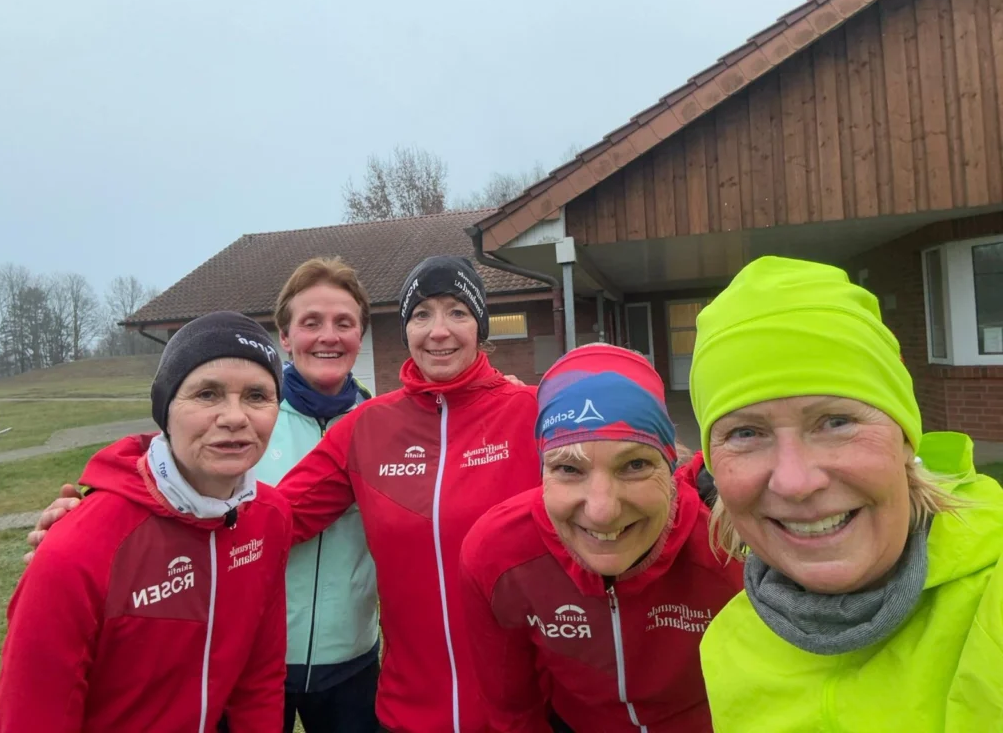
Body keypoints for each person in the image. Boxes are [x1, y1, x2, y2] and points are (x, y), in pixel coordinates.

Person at [689, 256, 1003, 731]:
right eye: (746, 434)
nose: (795, 482)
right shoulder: (729, 645)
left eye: (837, 422)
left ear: (904, 437)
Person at [272, 254, 543, 732]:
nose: (439, 331)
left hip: (523, 711)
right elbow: (272, 518)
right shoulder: (367, 426)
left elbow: (633, 469)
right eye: (421, 315)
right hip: (408, 713)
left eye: (457, 311)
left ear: (480, 327)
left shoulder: (532, 411)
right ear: (406, 330)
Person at [0, 312, 293, 732]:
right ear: (165, 410)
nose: (234, 417)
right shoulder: (74, 550)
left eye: (257, 396)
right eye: (207, 394)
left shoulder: (270, 518)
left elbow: (259, 679)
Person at [459, 343, 744, 732]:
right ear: (542, 473)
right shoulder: (498, 554)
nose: (602, 510)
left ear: (670, 466)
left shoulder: (726, 546)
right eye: (569, 469)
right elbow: (513, 711)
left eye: (635, 464)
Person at [263, 257, 379, 733]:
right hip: (257, 662)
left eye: (344, 323)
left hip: (352, 662)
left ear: (359, 337)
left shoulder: (386, 424)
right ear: (286, 338)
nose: (329, 336)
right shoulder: (250, 420)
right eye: (311, 322)